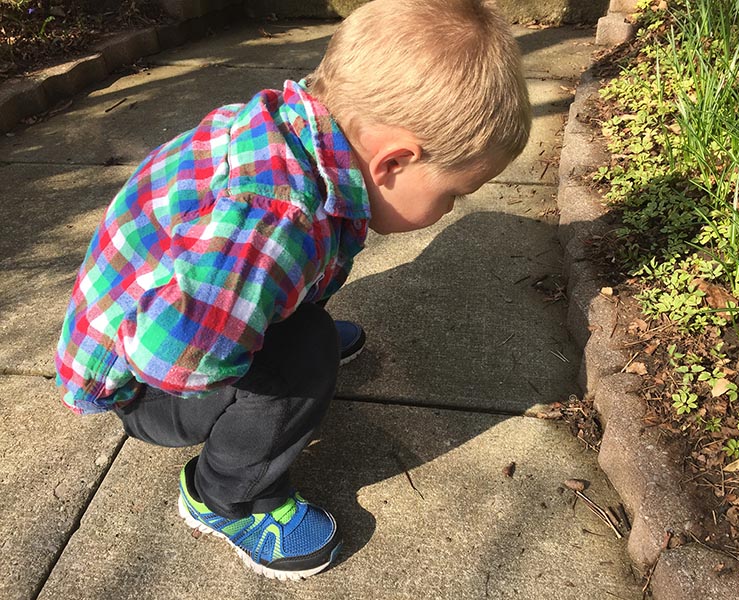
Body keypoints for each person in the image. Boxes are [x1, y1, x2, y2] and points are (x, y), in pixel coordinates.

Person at [54, 0, 531, 581]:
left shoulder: (300, 133)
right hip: (144, 384)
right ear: (394, 162)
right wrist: (271, 356)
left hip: (182, 306)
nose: (451, 208)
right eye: (453, 193)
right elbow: (168, 356)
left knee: (299, 304)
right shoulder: (273, 219)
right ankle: (225, 499)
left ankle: (267, 327)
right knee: (303, 359)